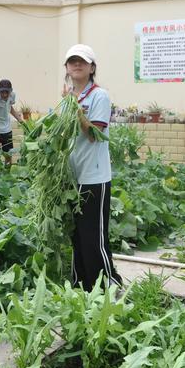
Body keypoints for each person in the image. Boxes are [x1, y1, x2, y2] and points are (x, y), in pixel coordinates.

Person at [63, 44, 122, 292]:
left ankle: (105, 283)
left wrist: (74, 109)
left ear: (92, 67)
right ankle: (82, 284)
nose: (77, 65)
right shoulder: (67, 99)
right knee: (76, 235)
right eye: (72, 61)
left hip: (94, 176)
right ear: (66, 67)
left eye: (83, 62)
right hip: (71, 177)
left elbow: (95, 135)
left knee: (93, 235)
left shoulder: (99, 96)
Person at [0, 79, 23, 164]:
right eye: (2, 92)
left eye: (7, 92)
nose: (4, 95)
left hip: (7, 130)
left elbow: (10, 107)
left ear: (10, 91)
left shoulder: (13, 95)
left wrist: (19, 119)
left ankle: (7, 172)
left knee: (8, 155)